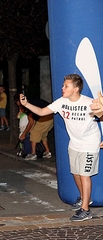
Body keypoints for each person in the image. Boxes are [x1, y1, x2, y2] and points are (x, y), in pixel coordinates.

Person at [20, 73, 98, 222]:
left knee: (84, 174)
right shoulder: (62, 102)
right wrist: (26, 104)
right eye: (63, 85)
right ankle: (84, 199)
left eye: (66, 86)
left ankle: (86, 210)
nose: (62, 88)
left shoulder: (89, 103)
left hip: (90, 143)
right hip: (74, 143)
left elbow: (101, 117)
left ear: (75, 88)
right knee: (75, 174)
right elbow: (42, 112)